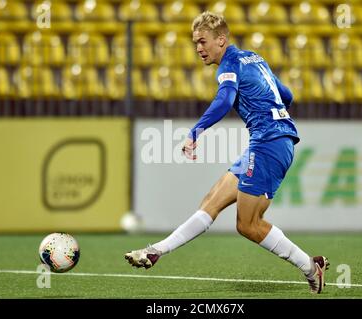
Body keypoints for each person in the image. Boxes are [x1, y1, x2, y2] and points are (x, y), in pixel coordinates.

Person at [125, 11, 329, 294]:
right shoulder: (254, 57)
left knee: (248, 225)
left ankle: (309, 266)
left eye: (203, 41)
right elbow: (287, 95)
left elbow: (224, 100)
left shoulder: (229, 65)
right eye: (195, 42)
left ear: (221, 40)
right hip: (269, 140)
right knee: (211, 201)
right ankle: (156, 251)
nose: (198, 48)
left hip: (269, 143)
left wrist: (195, 132)